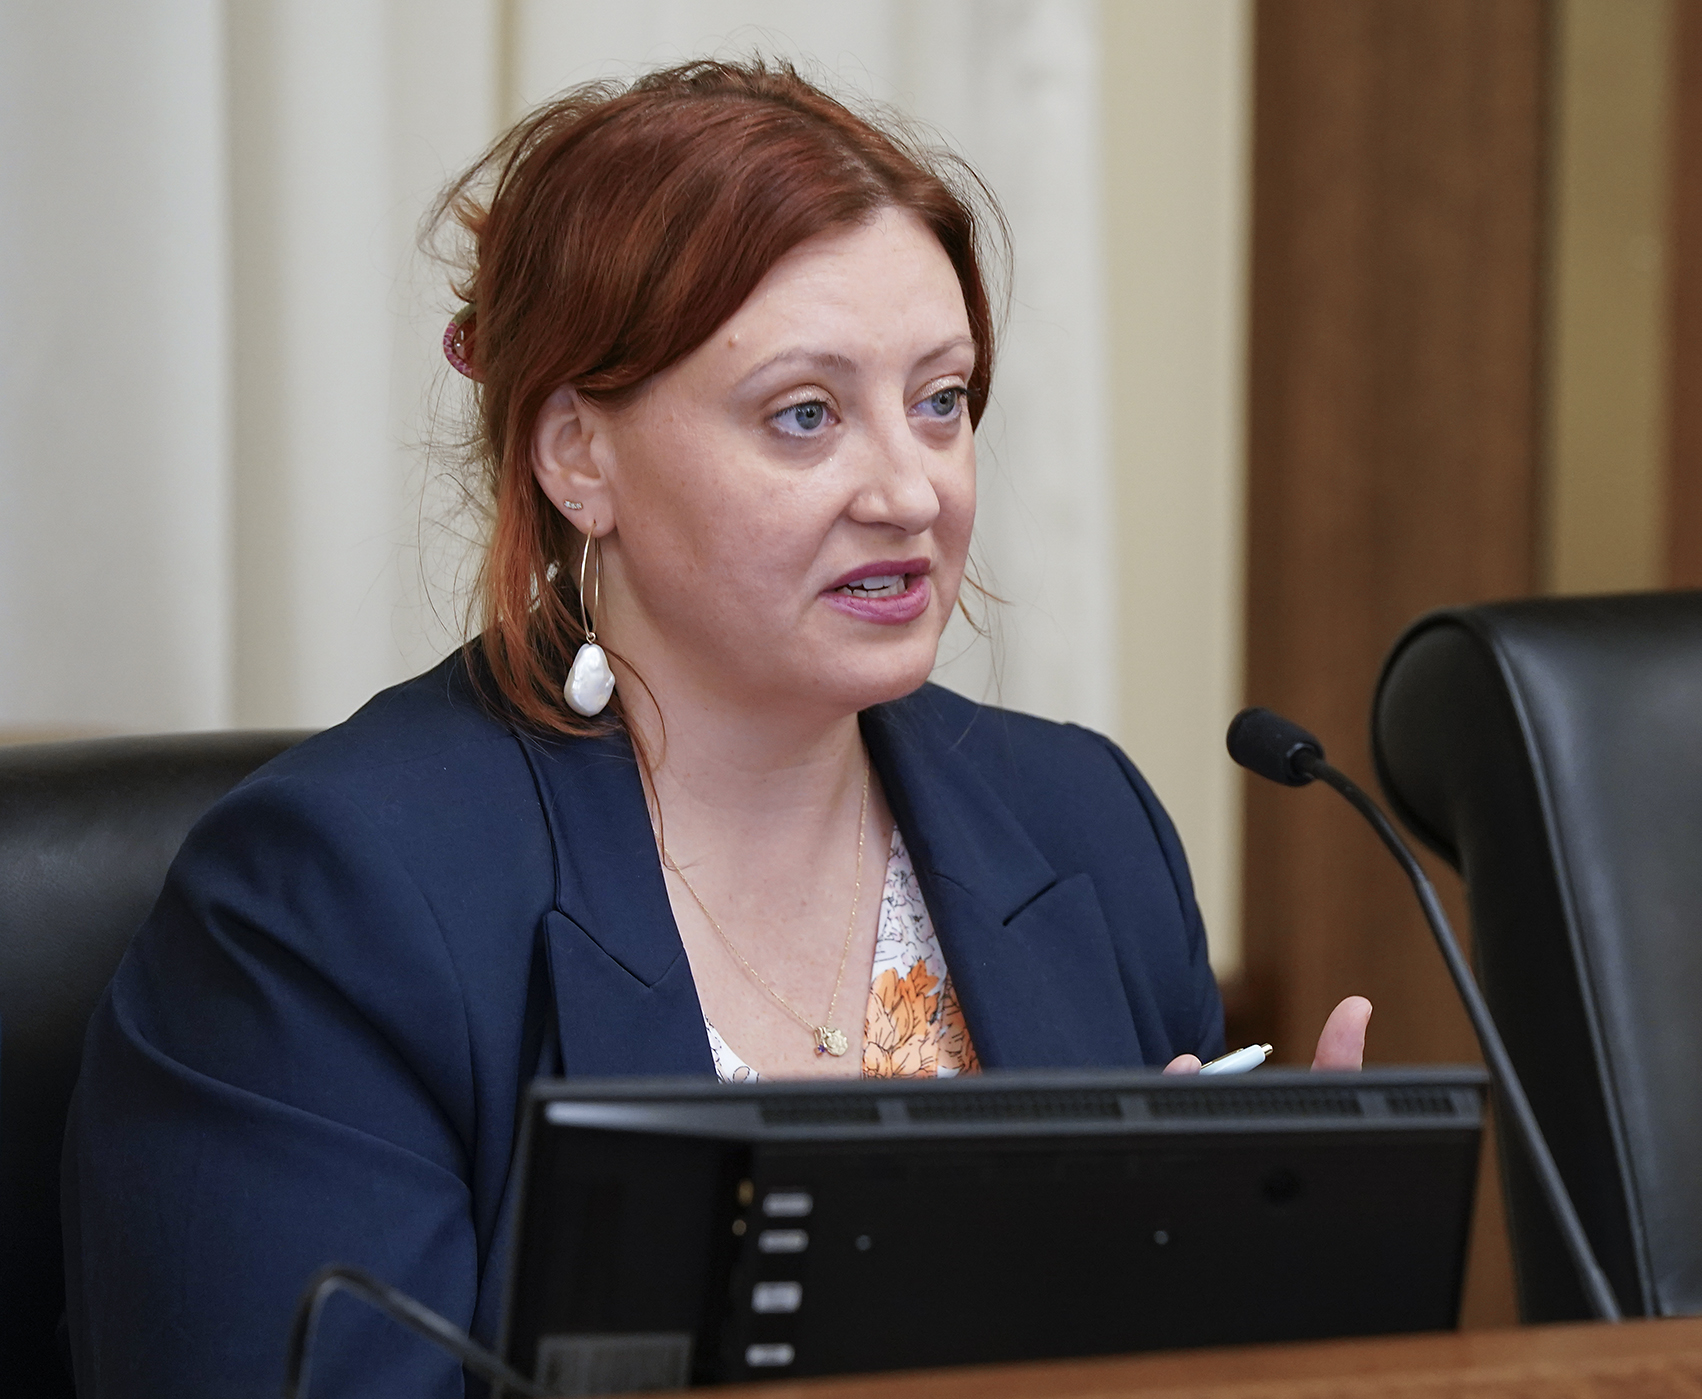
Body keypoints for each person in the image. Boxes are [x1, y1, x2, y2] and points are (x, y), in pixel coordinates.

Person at [61, 59, 1372, 1398]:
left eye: (943, 400)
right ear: (579, 455)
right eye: (805, 415)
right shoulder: (330, 902)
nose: (912, 491)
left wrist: (1278, 1285)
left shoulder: (1080, 821)